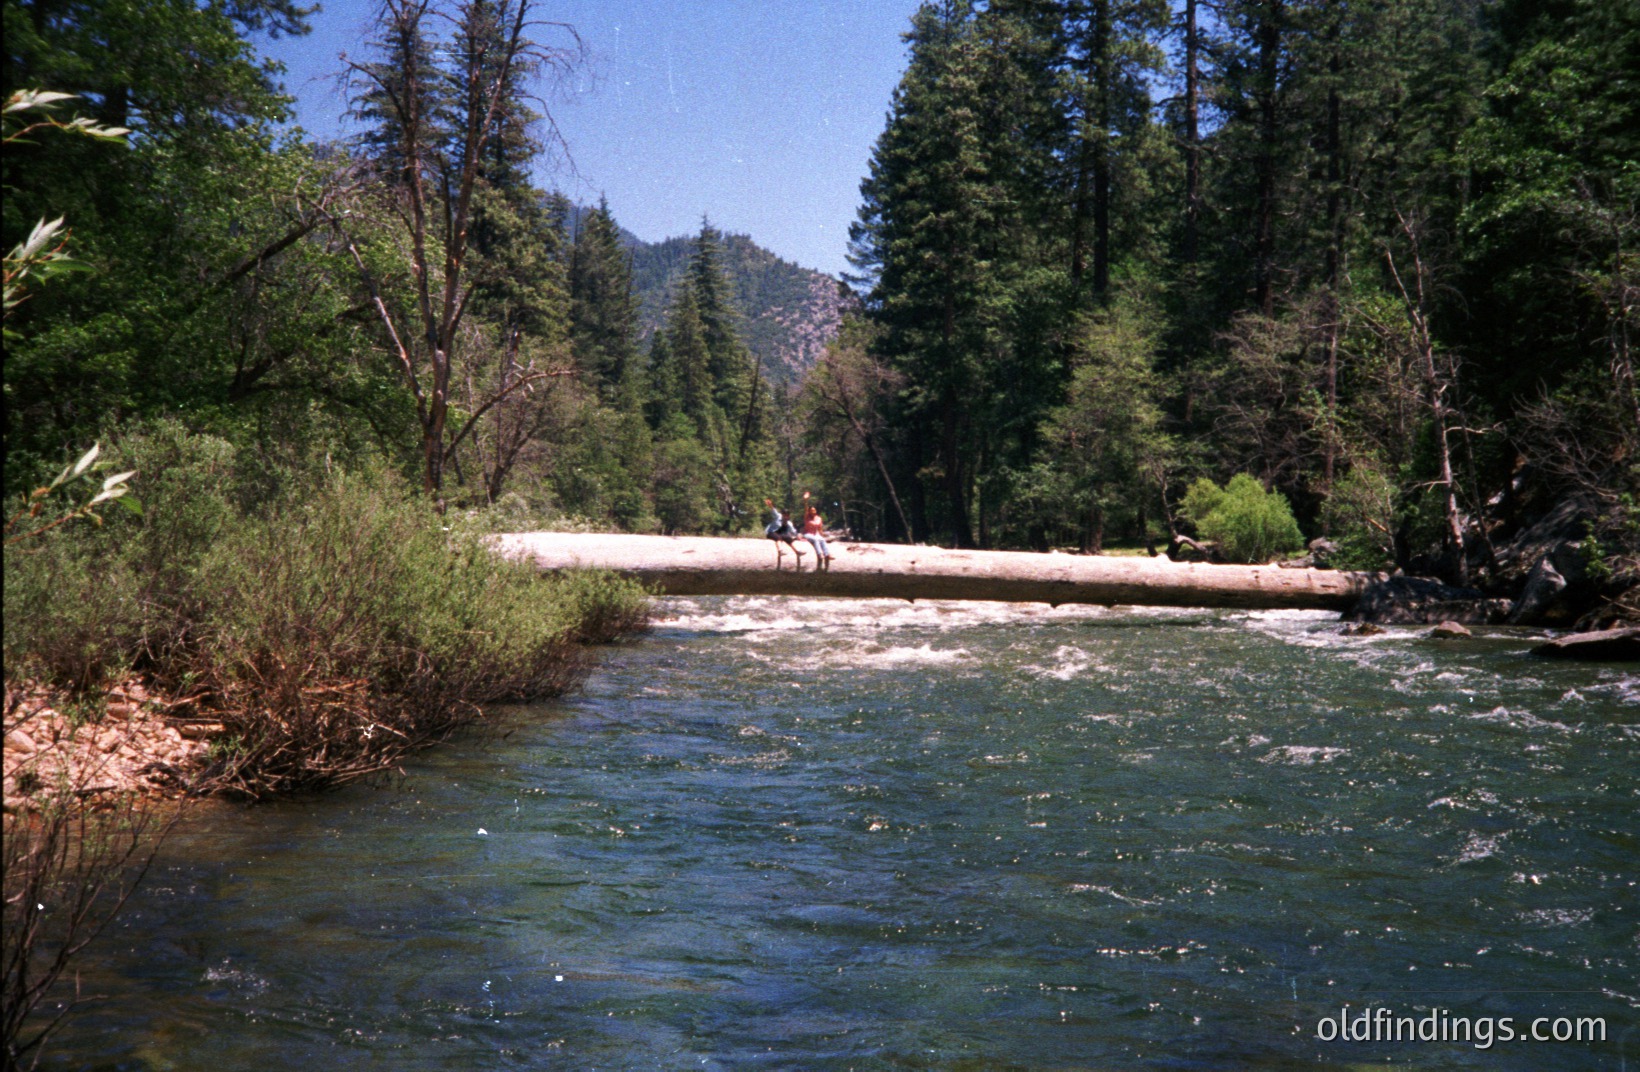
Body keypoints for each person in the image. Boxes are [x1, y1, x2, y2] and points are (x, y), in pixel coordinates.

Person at [763, 498, 806, 569]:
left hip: (780, 534)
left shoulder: (789, 523)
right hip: (771, 532)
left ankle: (797, 552)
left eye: (787, 515)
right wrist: (770, 505)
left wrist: (798, 535)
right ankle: (780, 551)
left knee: (789, 538)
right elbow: (773, 511)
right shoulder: (778, 517)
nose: (785, 516)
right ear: (782, 514)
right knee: (778, 538)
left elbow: (794, 532)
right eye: (784, 515)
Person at [800, 491, 836, 570]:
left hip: (816, 534)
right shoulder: (807, 517)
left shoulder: (819, 518)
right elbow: (805, 508)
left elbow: (820, 529)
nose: (813, 512)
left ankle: (827, 554)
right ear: (809, 511)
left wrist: (823, 536)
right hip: (808, 534)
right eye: (811, 511)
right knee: (816, 540)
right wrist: (806, 500)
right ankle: (820, 554)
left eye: (814, 510)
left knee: (821, 539)